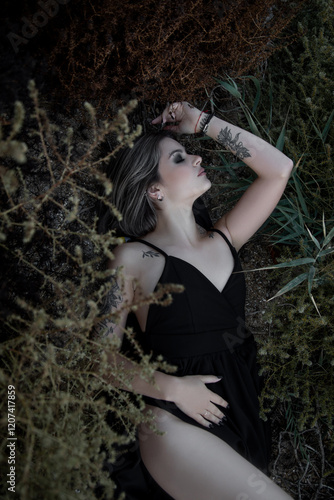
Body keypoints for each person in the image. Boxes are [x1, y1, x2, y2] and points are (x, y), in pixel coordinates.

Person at [98, 101, 294, 500]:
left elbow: (278, 169)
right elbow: (96, 359)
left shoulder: (225, 237)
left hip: (241, 412)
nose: (196, 156)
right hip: (171, 420)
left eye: (186, 153)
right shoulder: (132, 259)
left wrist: (200, 122)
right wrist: (173, 389)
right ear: (154, 190)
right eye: (179, 157)